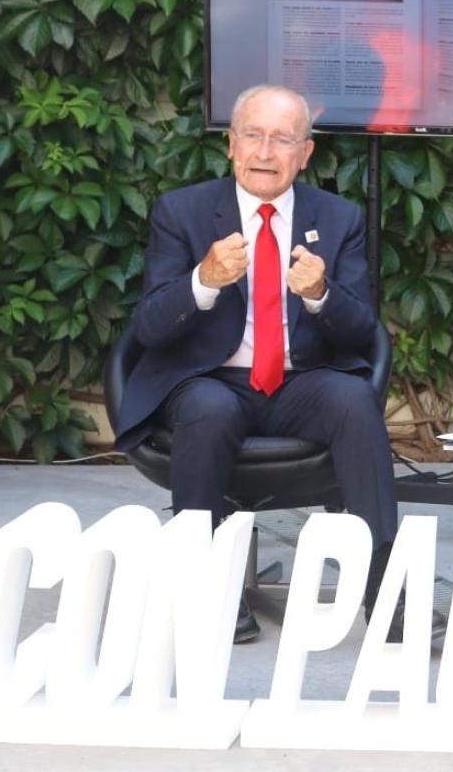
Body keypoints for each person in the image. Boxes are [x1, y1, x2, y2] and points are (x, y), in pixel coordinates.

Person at [113, 84, 400, 643]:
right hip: (209, 378)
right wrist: (203, 281)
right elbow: (147, 327)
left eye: (282, 139)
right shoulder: (183, 211)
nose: (265, 153)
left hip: (301, 382)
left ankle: (389, 595)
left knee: (353, 398)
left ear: (305, 153)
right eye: (253, 136)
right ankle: (208, 591)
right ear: (231, 144)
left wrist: (320, 293)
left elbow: (364, 330)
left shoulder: (338, 217)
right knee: (208, 409)